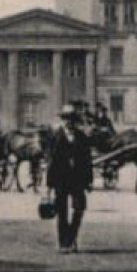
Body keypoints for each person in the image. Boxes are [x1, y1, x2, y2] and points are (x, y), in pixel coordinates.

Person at [46, 103, 94, 253]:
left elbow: (88, 161)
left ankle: (71, 237)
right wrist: (49, 184)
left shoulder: (82, 137)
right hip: (61, 179)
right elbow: (51, 161)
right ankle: (63, 243)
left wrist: (89, 181)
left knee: (79, 208)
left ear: (75, 120)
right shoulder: (55, 137)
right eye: (66, 118)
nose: (69, 122)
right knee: (62, 211)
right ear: (62, 120)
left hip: (78, 179)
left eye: (71, 119)